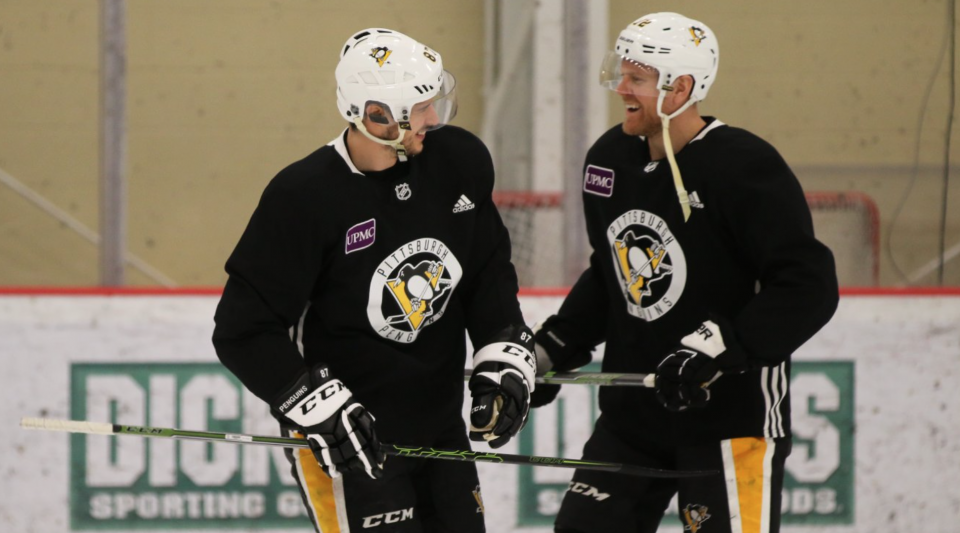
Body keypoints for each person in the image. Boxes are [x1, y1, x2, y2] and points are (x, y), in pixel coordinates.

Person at [212, 28, 536, 533]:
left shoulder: (459, 161)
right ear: (376, 115)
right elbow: (242, 330)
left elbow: (485, 270)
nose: (434, 119)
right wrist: (310, 402)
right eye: (420, 108)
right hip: (352, 442)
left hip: (441, 430)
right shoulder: (303, 196)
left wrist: (503, 345)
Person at [530, 12, 839, 533]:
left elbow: (807, 284)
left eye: (637, 78)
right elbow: (612, 275)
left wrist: (720, 346)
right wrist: (553, 346)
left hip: (730, 422)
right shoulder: (609, 160)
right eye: (622, 73)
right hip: (633, 417)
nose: (621, 89)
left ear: (682, 88)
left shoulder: (743, 165)